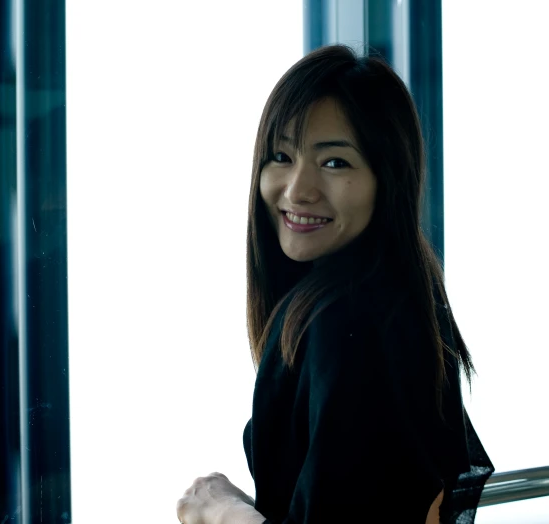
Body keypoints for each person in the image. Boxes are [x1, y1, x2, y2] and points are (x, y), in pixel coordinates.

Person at [176, 44, 494, 524]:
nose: (297, 189)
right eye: (281, 155)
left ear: (387, 179)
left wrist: (219, 510)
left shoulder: (348, 320)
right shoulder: (401, 292)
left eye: (334, 163)